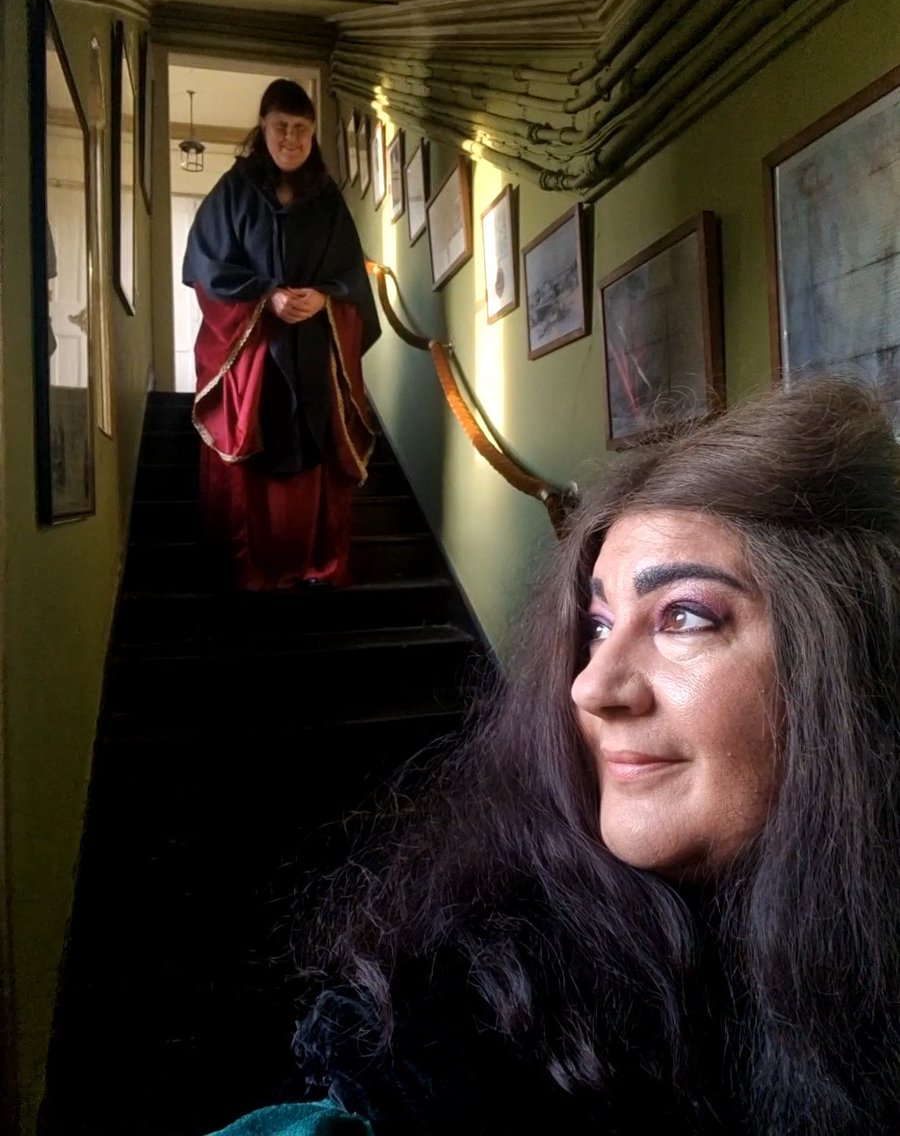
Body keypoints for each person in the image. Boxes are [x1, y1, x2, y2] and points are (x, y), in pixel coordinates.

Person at [211, 376, 900, 1135]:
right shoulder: (462, 1023)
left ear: (851, 658)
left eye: (685, 617)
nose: (591, 686)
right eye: (599, 624)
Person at [183, 79, 379, 590]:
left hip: (313, 348)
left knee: (314, 442)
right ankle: (254, 566)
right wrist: (267, 297)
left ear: (313, 134)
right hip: (255, 351)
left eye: (301, 129)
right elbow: (207, 266)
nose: (290, 139)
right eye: (280, 127)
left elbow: (351, 278)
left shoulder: (328, 198)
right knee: (260, 441)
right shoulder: (235, 188)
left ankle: (316, 561)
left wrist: (326, 298)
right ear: (262, 128)